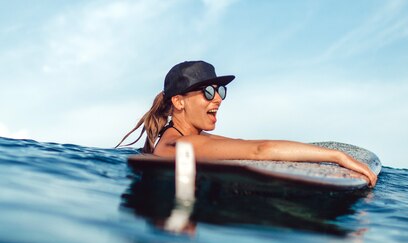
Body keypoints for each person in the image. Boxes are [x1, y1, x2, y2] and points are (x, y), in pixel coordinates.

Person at [116, 61, 377, 186]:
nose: (218, 98)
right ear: (179, 102)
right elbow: (259, 151)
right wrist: (337, 156)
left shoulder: (182, 140)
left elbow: (244, 146)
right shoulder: (181, 143)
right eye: (207, 92)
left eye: (220, 91)